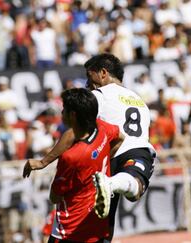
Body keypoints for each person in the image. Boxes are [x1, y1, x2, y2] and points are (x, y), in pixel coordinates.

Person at [23, 53, 156, 240]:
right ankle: (113, 184)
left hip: (106, 162)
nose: (88, 82)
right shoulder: (139, 99)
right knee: (134, 190)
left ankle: (110, 184)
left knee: (95, 221)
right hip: (137, 152)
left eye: (89, 76)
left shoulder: (98, 96)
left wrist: (44, 161)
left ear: (103, 73)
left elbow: (73, 132)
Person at [47, 88, 121, 242]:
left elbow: (54, 197)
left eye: (64, 109)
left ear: (73, 115)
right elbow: (120, 137)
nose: (61, 113)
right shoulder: (102, 128)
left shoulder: (71, 157)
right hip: (96, 223)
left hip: (70, 230)